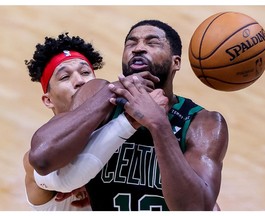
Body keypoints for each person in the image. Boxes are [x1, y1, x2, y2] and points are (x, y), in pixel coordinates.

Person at [28, 20, 228, 211]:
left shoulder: (202, 122)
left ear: (176, 62)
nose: (138, 48)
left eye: (152, 43)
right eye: (131, 43)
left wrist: (158, 125)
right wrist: (114, 91)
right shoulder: (97, 92)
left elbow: (196, 208)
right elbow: (42, 158)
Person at [23, 32, 164, 210]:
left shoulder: (125, 143)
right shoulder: (31, 160)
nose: (80, 81)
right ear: (48, 100)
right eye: (65, 77)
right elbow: (69, 178)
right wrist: (129, 119)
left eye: (85, 72)